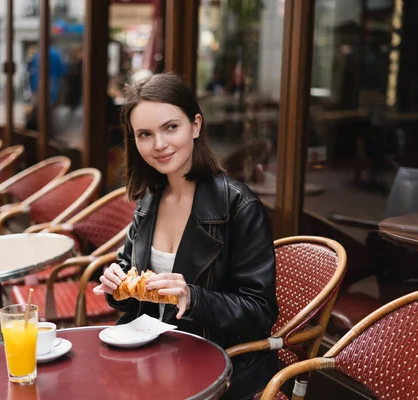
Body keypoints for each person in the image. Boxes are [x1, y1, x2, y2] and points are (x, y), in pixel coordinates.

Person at [93, 72, 279, 399]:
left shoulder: (238, 205)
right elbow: (127, 271)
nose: (159, 145)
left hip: (217, 365)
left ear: (195, 125)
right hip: (152, 355)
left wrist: (192, 297)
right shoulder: (150, 198)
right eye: (145, 134)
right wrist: (115, 286)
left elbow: (260, 313)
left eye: (171, 127)